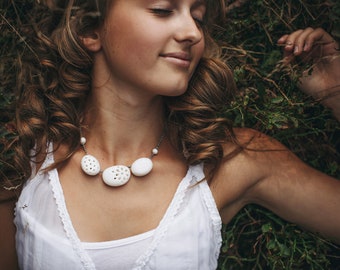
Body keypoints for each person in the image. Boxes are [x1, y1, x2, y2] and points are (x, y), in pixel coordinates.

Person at [0, 0, 339, 269]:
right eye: (163, 10)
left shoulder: (234, 160)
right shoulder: (22, 157)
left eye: (199, 17)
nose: (192, 32)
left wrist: (336, 92)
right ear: (92, 30)